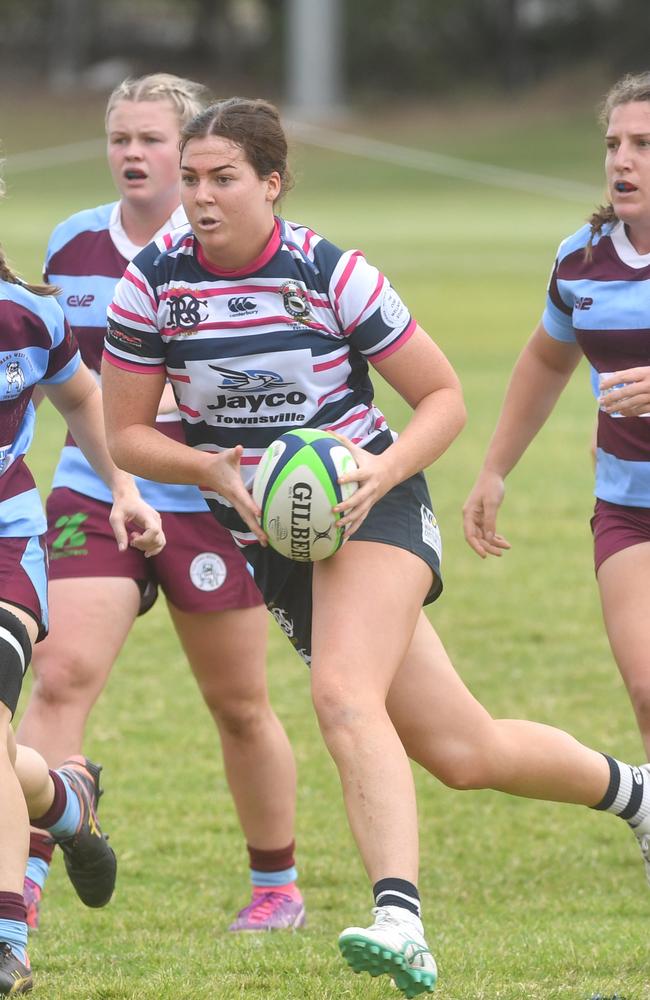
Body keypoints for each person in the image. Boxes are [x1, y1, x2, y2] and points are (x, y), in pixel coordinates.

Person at [101, 96, 650, 999]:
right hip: (274, 528)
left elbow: (442, 398)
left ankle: (401, 919)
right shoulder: (153, 284)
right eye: (191, 178)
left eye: (223, 179)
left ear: (270, 184)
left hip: (373, 508)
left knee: (343, 694)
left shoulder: (328, 271)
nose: (199, 196)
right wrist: (213, 472)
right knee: (462, 750)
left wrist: (379, 476)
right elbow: (127, 435)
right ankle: (634, 792)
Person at [15, 74, 304, 935]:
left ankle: (276, 886)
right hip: (92, 486)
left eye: (152, 142)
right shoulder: (71, 245)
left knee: (239, 701)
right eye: (120, 140)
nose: (134, 156)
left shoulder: (218, 246)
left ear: (190, 157)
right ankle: (23, 872)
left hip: (208, 497)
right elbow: (58, 377)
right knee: (59, 672)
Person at [0, 172, 164, 992]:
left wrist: (126, 490)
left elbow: (83, 399)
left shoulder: (28, 315)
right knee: (3, 751)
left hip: (7, 543)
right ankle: (64, 801)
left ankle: (6, 941)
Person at [463, 71, 650, 762]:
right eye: (614, 143)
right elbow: (546, 363)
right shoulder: (582, 258)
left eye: (644, 144)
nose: (622, 160)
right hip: (630, 506)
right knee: (647, 693)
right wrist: (493, 470)